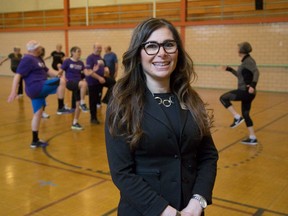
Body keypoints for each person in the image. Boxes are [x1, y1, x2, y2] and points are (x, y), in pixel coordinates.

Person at [105, 18, 218, 216]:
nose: (162, 53)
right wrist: (165, 211)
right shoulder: (122, 102)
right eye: (151, 46)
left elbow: (208, 155)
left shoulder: (191, 99)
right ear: (138, 53)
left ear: (178, 51)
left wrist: (197, 201)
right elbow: (122, 172)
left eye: (168, 44)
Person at [7, 40, 68, 148]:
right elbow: (18, 75)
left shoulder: (38, 58)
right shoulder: (27, 59)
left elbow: (48, 71)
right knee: (61, 82)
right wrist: (13, 91)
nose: (41, 49)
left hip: (37, 90)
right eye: (39, 47)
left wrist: (60, 73)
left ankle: (34, 140)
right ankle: (60, 107)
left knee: (38, 114)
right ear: (34, 49)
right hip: (36, 86)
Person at [220, 42, 260, 145]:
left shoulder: (248, 61)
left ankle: (237, 117)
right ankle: (252, 137)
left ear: (242, 50)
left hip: (245, 91)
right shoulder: (245, 61)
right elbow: (239, 76)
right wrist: (230, 69)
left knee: (223, 98)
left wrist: (252, 85)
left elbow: (256, 72)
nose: (237, 50)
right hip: (247, 93)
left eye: (238, 48)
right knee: (246, 114)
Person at [60, 46, 91, 130]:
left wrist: (93, 71)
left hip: (78, 84)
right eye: (78, 51)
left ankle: (75, 123)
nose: (79, 53)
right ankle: (82, 102)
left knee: (78, 106)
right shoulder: (67, 61)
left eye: (80, 52)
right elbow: (60, 71)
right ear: (72, 52)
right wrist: (60, 78)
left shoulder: (81, 63)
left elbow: (87, 74)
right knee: (84, 84)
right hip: (70, 83)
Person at [85, 43, 115, 124]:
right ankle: (93, 118)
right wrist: (99, 77)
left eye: (100, 48)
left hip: (101, 80)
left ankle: (106, 99)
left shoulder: (101, 58)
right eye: (97, 48)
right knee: (93, 100)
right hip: (93, 82)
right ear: (93, 48)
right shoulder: (90, 58)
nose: (99, 49)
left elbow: (104, 69)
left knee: (113, 83)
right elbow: (89, 71)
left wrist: (106, 71)